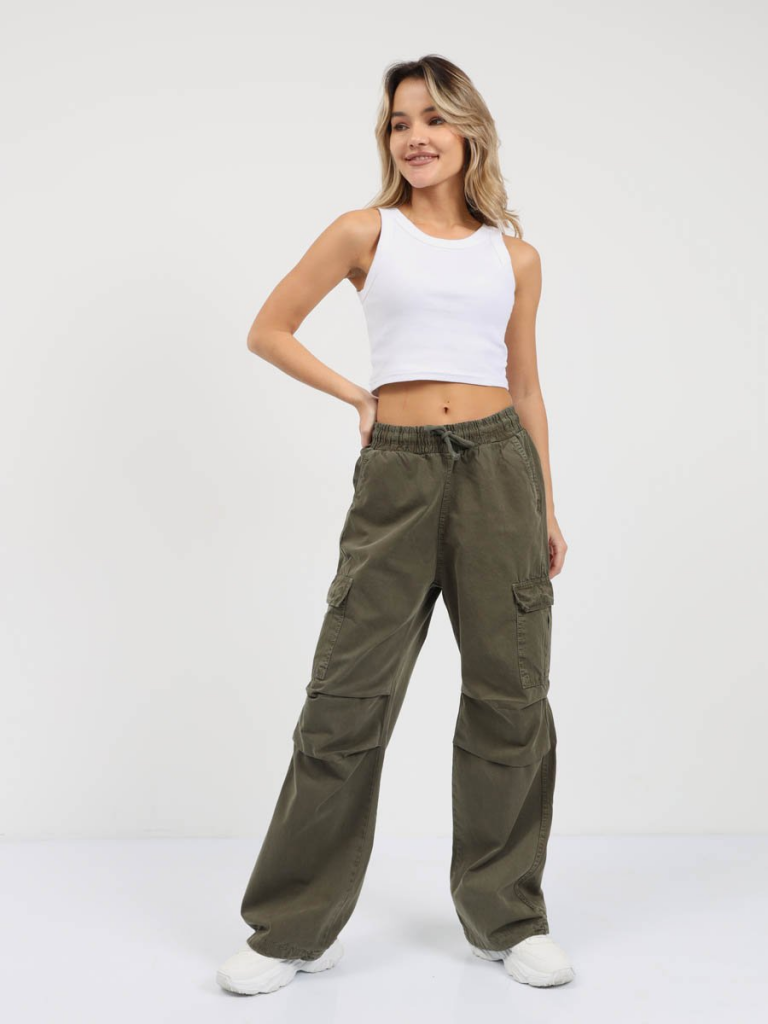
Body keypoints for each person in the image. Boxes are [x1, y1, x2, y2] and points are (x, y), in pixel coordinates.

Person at [216, 54, 575, 996]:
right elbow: (269, 328)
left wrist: (545, 502)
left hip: (499, 470)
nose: (414, 136)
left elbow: (527, 386)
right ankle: (292, 927)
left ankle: (508, 916)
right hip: (398, 473)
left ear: (469, 131)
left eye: (432, 118)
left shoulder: (515, 257)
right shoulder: (364, 231)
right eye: (398, 122)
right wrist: (357, 395)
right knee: (345, 699)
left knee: (511, 697)